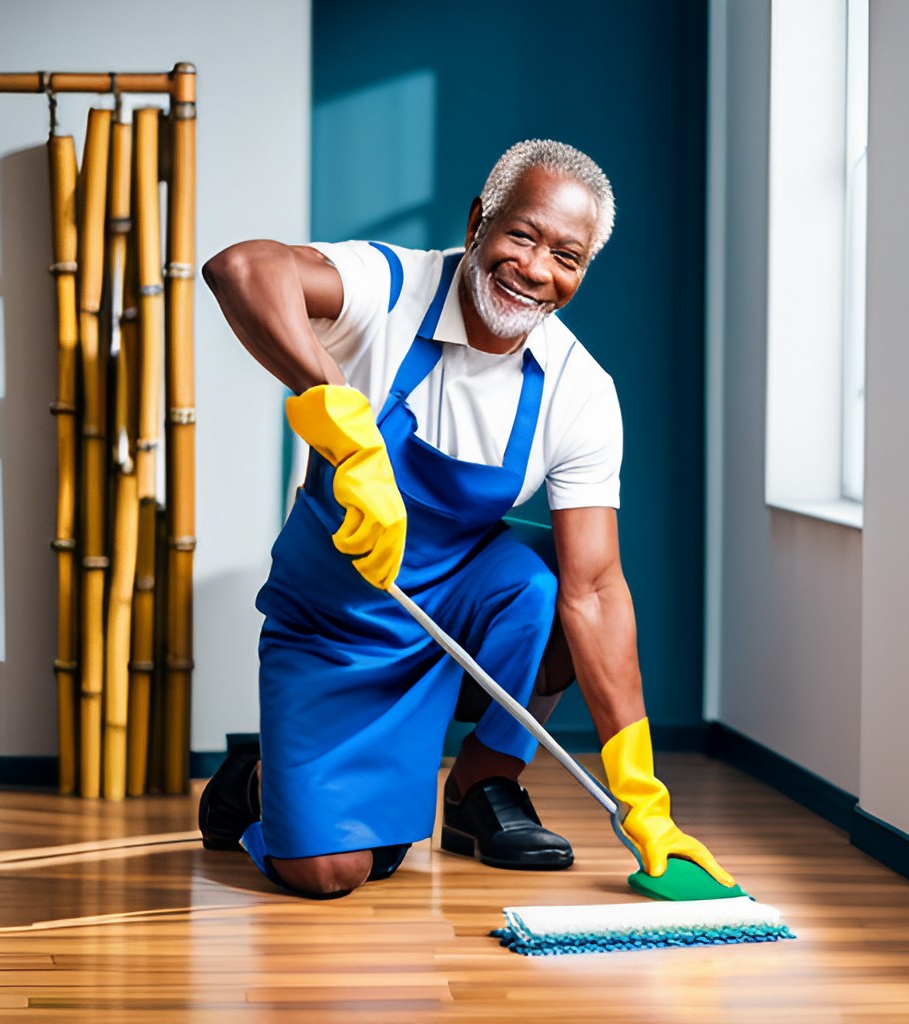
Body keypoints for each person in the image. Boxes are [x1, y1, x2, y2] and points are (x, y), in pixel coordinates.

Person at [200, 139, 734, 899]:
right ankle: (254, 781)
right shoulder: (388, 287)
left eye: (568, 256)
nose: (537, 269)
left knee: (548, 583)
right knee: (331, 873)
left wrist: (642, 793)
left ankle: (482, 785)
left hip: (453, 608)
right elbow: (241, 269)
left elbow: (599, 591)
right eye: (522, 235)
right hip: (335, 622)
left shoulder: (577, 390)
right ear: (480, 220)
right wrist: (340, 419)